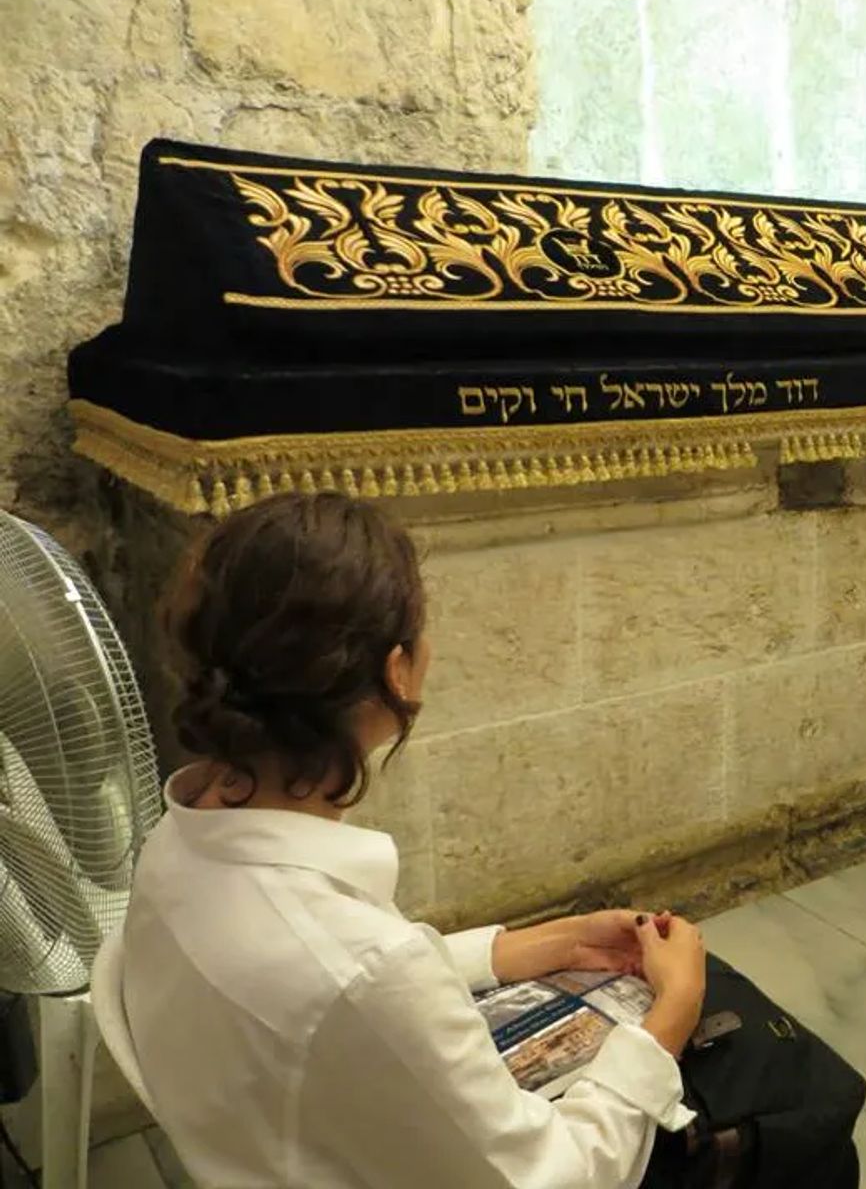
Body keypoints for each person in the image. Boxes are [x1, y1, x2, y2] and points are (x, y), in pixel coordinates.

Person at [122, 492, 708, 1188]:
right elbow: (553, 1177)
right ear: (397, 670)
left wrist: (520, 949)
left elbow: (335, 1003)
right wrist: (667, 1023)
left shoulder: (178, 836)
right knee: (791, 1100)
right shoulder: (362, 968)